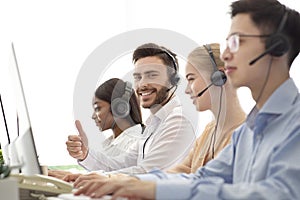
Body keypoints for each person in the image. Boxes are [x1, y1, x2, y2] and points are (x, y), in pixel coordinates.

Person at [72, 0, 300, 199]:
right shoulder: (247, 132)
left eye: (237, 41)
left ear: (277, 47)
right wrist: (134, 184)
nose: (227, 54)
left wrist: (151, 189)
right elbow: (201, 177)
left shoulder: (294, 124)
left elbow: (277, 194)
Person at [62, 43, 196, 181]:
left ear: (173, 81)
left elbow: (148, 173)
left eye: (152, 75)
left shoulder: (179, 121)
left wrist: (91, 178)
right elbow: (120, 165)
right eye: (138, 77)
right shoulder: (153, 123)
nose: (142, 84)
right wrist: (86, 154)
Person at [167, 43, 245, 174]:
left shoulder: (246, 136)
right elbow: (183, 169)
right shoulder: (209, 132)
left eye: (191, 79)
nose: (187, 90)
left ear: (219, 77)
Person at [48, 78, 144, 178]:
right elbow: (105, 170)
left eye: (98, 108)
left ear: (119, 108)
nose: (93, 116)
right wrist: (84, 156)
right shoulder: (110, 143)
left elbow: (121, 175)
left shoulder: (135, 140)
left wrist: (76, 176)